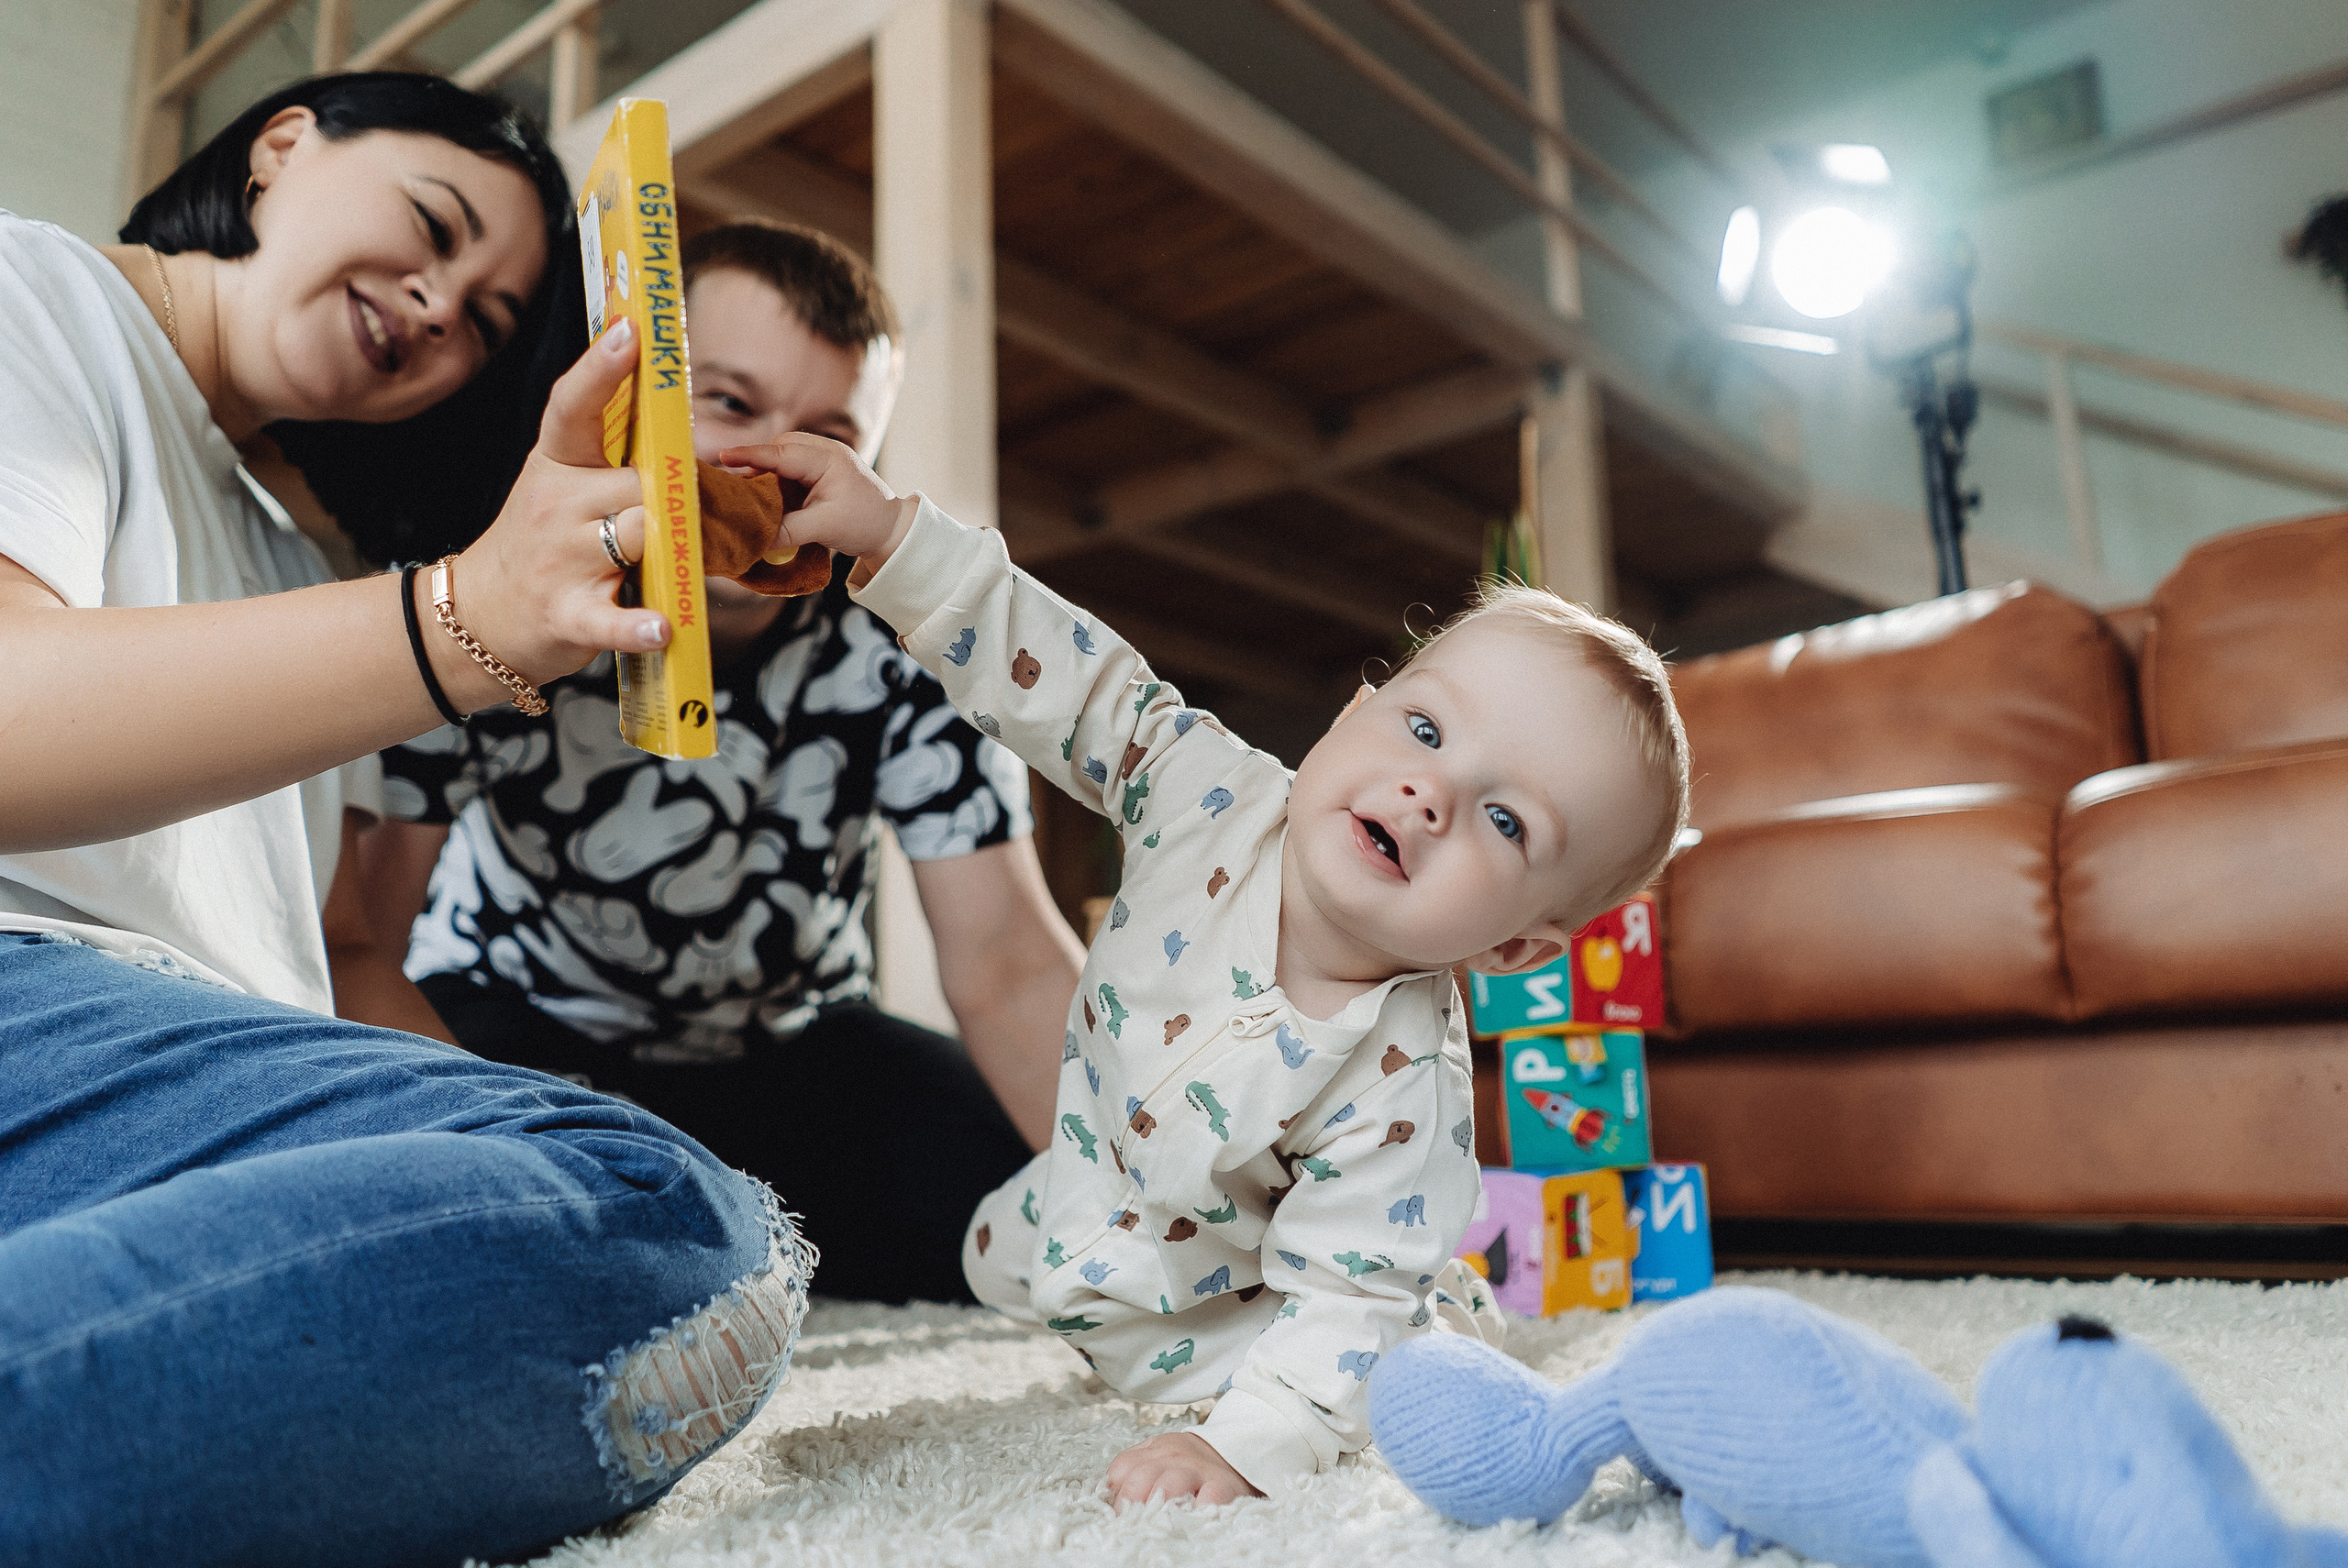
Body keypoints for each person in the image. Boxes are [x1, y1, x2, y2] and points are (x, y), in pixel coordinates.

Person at [0, 75, 812, 1565]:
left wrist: (490, 1146)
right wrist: (458, 622)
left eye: (491, 325)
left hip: (180, 1071)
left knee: (659, 1231)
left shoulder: (301, 545)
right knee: (658, 1223)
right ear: (283, 147)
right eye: (433, 226)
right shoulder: (33, 292)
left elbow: (345, 953)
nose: (442, 304)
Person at [703, 430, 1694, 1507]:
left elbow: (1342, 1297)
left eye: (1504, 818)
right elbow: (1074, 682)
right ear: (1349, 716)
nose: (1429, 793)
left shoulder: (1407, 1084)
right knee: (993, 1250)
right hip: (1083, 1190)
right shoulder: (1206, 789)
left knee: (1361, 1359)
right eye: (1422, 726)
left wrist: (1242, 1449)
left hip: (1238, 1303)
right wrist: (893, 537)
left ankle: (1440, 1317)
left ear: (1511, 949)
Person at [355, 220, 1083, 1306]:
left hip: (797, 1046)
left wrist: (1149, 1208)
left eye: (828, 434)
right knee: (478, 1248)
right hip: (517, 1028)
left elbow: (1008, 961)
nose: (767, 466)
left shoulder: (903, 643)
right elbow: (360, 939)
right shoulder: (500, 596)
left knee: (1018, 1215)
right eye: (729, 405)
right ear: (634, 403)